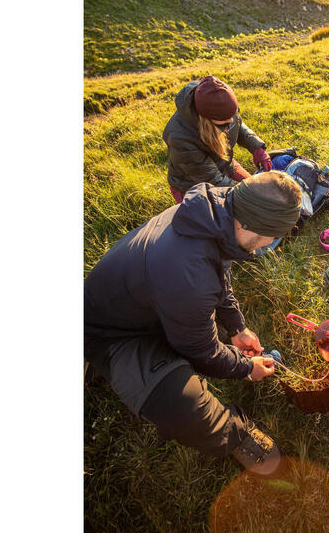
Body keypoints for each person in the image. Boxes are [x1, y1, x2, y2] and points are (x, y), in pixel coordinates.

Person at [84, 171, 302, 475]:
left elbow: (218, 272)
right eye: (276, 235)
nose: (273, 242)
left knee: (192, 328)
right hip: (115, 335)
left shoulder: (215, 215)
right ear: (257, 227)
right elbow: (201, 352)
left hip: (150, 304)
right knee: (181, 405)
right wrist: (246, 368)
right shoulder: (188, 276)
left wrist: (236, 327)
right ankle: (236, 435)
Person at [163, 76, 273, 203]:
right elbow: (212, 179)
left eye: (233, 115)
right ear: (207, 119)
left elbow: (237, 125)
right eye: (225, 122)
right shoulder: (180, 137)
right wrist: (247, 193)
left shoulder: (224, 112)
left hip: (224, 164)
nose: (231, 121)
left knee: (259, 196)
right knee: (234, 214)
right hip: (192, 185)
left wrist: (256, 147)